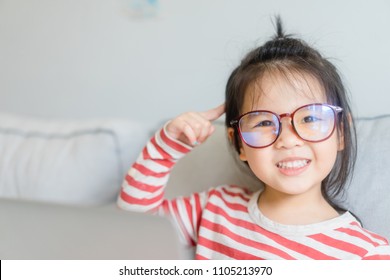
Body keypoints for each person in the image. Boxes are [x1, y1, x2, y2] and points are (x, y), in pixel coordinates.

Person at [117, 17, 390, 259]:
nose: (288, 139)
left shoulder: (367, 254)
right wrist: (164, 149)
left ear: (340, 132)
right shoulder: (215, 209)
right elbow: (131, 232)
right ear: (239, 144)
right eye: (263, 122)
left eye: (309, 118)